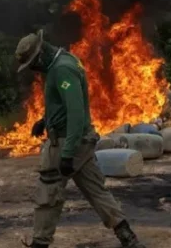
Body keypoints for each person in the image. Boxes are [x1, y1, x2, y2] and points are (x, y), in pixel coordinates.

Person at [15, 29, 146, 248]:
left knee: (48, 194)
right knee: (96, 190)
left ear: (39, 55)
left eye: (32, 64)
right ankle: (128, 238)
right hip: (80, 142)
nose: (33, 70)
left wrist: (66, 154)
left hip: (68, 142)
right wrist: (45, 120)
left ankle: (40, 243)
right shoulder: (62, 62)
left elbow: (75, 112)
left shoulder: (62, 70)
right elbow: (62, 104)